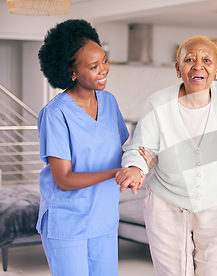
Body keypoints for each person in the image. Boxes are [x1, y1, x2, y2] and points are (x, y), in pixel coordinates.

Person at [115, 35, 217, 275]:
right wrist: (135, 167)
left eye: (206, 60)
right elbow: (140, 148)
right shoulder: (158, 102)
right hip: (166, 203)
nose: (198, 65)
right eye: (189, 59)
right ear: (178, 69)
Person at [36, 19, 139, 275]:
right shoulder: (55, 114)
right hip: (68, 222)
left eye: (104, 60)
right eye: (94, 67)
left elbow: (120, 151)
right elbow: (64, 179)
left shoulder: (109, 101)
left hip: (103, 218)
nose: (104, 69)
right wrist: (115, 173)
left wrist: (137, 164)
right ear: (72, 72)